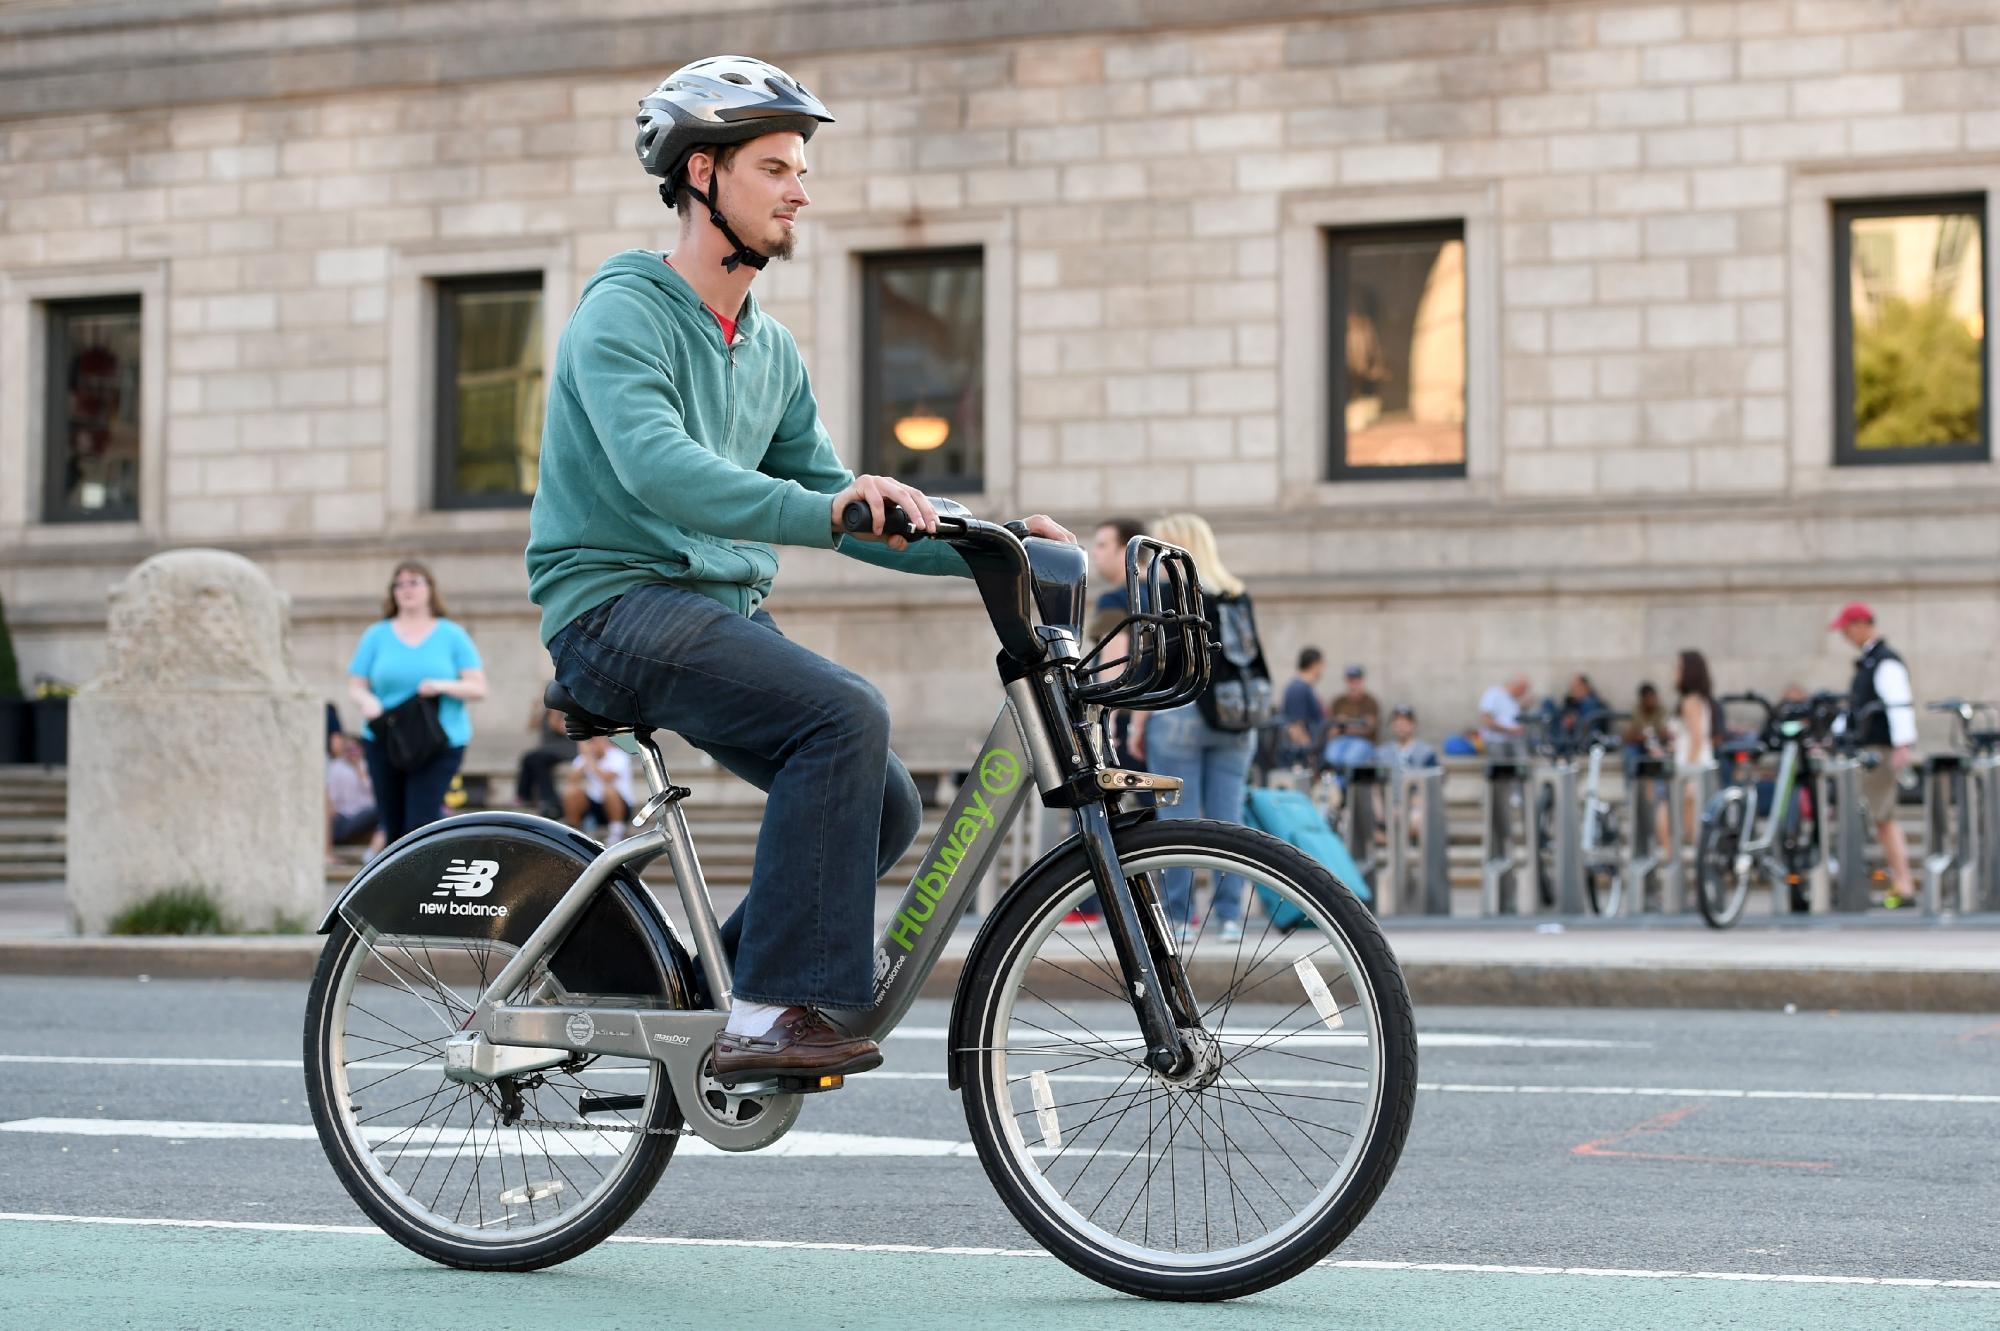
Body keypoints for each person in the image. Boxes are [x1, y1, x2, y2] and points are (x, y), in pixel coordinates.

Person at [524, 55, 1072, 1086]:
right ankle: (770, 1014)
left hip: (709, 610)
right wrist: (821, 508)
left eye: (801, 169)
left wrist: (990, 545)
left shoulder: (767, 351)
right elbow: (663, 474)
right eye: (774, 166)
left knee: (887, 804)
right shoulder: (623, 314)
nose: (799, 190)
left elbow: (845, 506)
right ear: (700, 174)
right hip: (613, 606)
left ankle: (719, 994)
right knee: (842, 714)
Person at [1129, 513, 1266, 941]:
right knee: (1229, 820)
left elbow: (1155, 662)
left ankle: (1177, 918)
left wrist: (1136, 721)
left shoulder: (1168, 589)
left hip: (1180, 713)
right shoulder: (1235, 593)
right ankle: (1228, 918)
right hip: (1234, 717)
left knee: (1177, 823)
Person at [346, 561, 487, 845]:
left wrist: (441, 685)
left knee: (420, 823)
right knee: (391, 822)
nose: (406, 589)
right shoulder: (377, 634)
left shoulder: (451, 634)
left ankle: (421, 884)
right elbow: (356, 685)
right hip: (385, 739)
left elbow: (478, 688)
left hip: (438, 741)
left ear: (430, 589)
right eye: (400, 584)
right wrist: (368, 700)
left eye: (415, 582)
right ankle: (396, 885)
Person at [1830, 602, 1917, 907]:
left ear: (1860, 624)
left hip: (1879, 750)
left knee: (1883, 816)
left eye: (1845, 629)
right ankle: (1898, 881)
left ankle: (1903, 883)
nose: (1844, 636)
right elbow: (1855, 708)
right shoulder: (1869, 662)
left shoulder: (1884, 661)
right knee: (1878, 817)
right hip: (1868, 749)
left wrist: (1902, 745)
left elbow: (1899, 703)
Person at [1658, 649, 1716, 852]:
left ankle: (1673, 870)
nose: (1675, 672)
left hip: (1690, 770)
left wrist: (1688, 776)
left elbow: (1697, 739)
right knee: (1690, 830)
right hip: (1691, 767)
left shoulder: (1690, 701)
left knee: (1666, 822)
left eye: (1679, 668)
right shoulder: (1697, 700)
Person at [562, 735, 636, 843]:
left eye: (597, 741)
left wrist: (590, 759)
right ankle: (574, 831)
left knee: (608, 790)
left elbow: (607, 778)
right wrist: (586, 760)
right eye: (591, 742)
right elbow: (571, 780)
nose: (594, 745)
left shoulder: (618, 756)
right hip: (595, 806)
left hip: (621, 807)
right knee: (571, 792)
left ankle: (617, 832)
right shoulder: (584, 758)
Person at [516, 694, 577, 817]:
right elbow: (531, 726)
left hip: (564, 748)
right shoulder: (545, 712)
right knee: (531, 759)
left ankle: (536, 797)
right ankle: (530, 796)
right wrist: (536, 710)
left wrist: (554, 710)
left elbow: (559, 727)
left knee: (533, 758)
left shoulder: (563, 708)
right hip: (547, 750)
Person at [325, 731, 378, 858]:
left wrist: (358, 769)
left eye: (355, 749)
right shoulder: (336, 767)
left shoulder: (367, 765)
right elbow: (332, 799)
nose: (352, 752)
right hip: (343, 819)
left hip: (365, 816)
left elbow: (373, 791)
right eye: (348, 749)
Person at [1322, 663, 1380, 771]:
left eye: (1356, 680)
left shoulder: (1370, 702)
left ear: (1362, 681)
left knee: (1350, 758)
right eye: (1350, 680)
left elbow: (1368, 729)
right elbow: (1332, 731)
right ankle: (1337, 785)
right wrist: (1350, 725)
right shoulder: (1338, 701)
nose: (1353, 684)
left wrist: (1344, 724)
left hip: (1363, 742)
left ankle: (1344, 786)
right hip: (1341, 740)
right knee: (1331, 756)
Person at [1278, 647, 1327, 768]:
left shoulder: (1305, 687)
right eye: (1322, 665)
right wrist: (1308, 755)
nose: (1322, 670)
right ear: (1315, 664)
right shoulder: (1298, 688)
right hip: (1303, 758)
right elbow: (1296, 727)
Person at [1478, 674, 1531, 756]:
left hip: (1514, 740)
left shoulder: (1513, 700)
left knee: (1522, 764)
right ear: (1516, 686)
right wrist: (1510, 730)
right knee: (1501, 767)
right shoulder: (1493, 694)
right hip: (1496, 741)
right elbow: (1487, 721)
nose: (1524, 693)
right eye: (1523, 690)